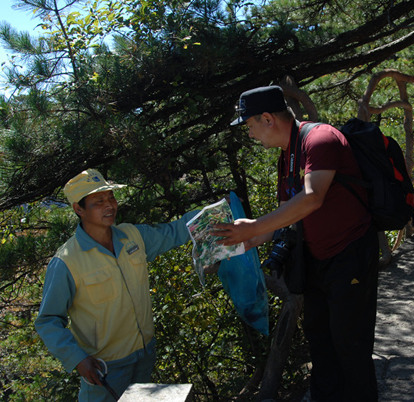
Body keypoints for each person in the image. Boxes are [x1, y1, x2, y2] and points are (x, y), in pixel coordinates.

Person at [215, 85, 379, 402]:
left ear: (267, 118)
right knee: (321, 344)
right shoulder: (286, 157)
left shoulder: (320, 139)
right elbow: (286, 217)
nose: (250, 135)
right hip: (315, 262)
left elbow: (312, 197)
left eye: (249, 126)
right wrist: (237, 243)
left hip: (350, 256)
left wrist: (252, 228)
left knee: (351, 347)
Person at [35, 169, 198, 401]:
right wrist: (78, 359)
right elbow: (48, 321)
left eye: (111, 197)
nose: (109, 205)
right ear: (78, 209)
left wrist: (215, 212)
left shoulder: (132, 236)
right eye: (98, 202)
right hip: (105, 368)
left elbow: (174, 232)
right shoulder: (67, 262)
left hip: (144, 355)